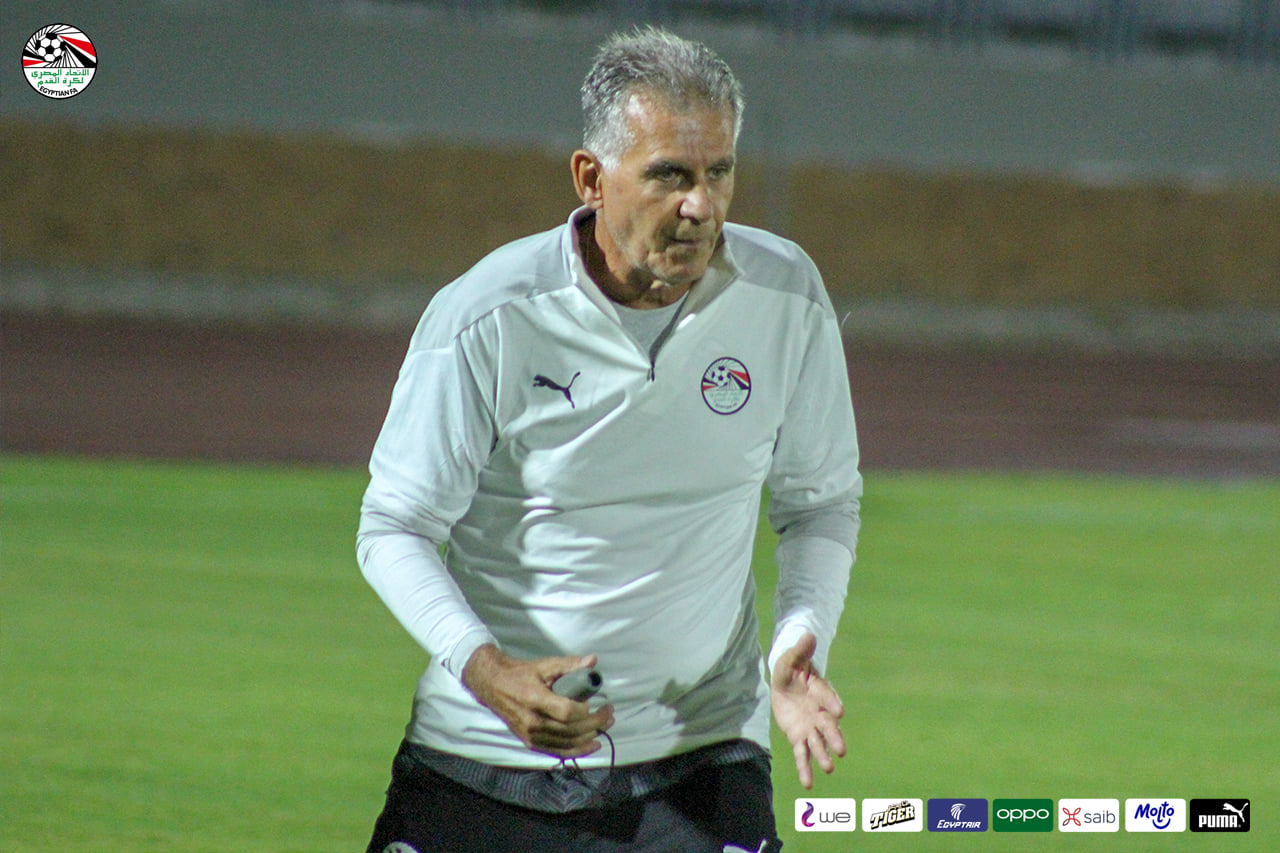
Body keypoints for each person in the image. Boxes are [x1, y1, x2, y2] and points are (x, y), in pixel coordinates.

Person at [357, 25, 861, 853]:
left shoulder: (786, 296)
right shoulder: (489, 315)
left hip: (699, 755)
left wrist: (801, 637)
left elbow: (821, 503)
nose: (701, 205)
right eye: (670, 176)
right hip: (480, 757)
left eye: (719, 172)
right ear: (592, 178)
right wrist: (488, 672)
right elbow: (393, 524)